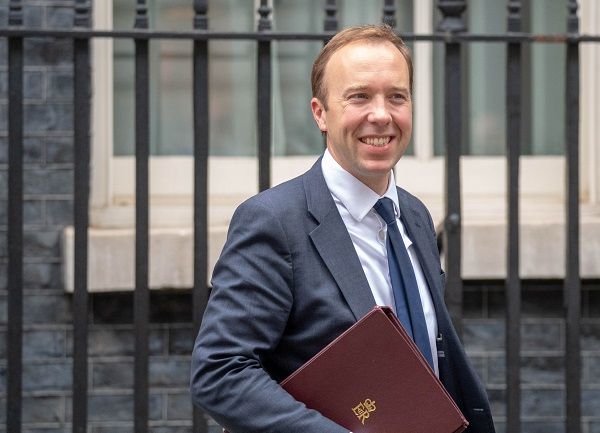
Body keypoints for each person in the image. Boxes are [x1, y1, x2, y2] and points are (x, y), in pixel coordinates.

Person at [190, 24, 496, 433]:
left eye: (397, 96)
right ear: (320, 113)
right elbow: (220, 372)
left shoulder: (414, 216)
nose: (381, 115)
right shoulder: (275, 222)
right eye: (359, 96)